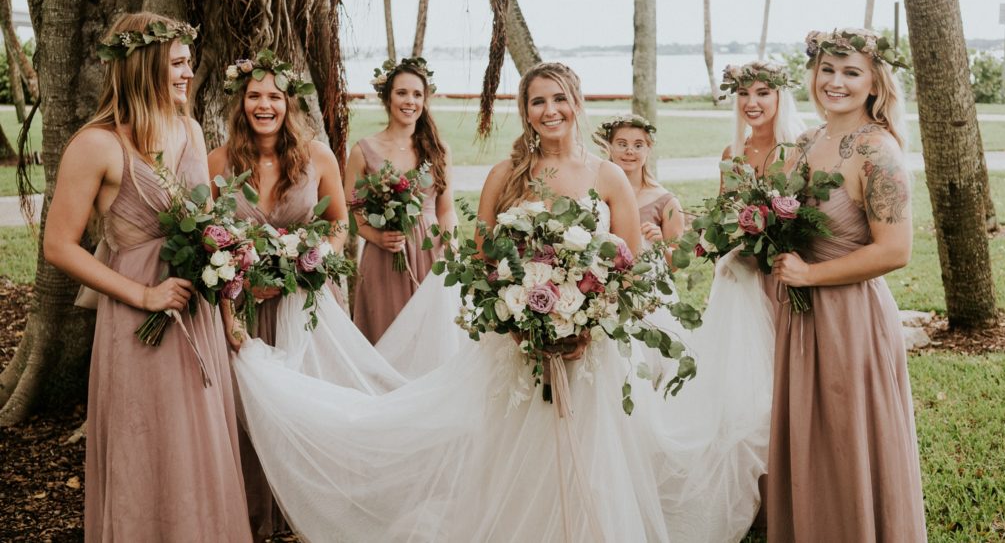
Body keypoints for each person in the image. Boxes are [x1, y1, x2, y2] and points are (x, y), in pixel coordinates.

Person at [230, 62, 774, 542]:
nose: (550, 109)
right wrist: (519, 317)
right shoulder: (505, 176)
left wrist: (588, 318)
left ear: (576, 104)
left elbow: (631, 265)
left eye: (559, 98)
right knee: (520, 453)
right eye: (538, 100)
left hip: (593, 352)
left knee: (594, 452)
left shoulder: (607, 176)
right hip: (517, 348)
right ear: (526, 111)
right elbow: (479, 264)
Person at [43, 12, 250, 541]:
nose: (188, 73)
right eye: (178, 63)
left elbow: (211, 229)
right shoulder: (96, 145)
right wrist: (144, 293)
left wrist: (228, 313)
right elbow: (58, 245)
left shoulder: (190, 130)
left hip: (194, 309)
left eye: (188, 63)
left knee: (196, 437)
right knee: (148, 438)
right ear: (145, 67)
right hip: (138, 320)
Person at [209, 50, 408, 539]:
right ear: (241, 103)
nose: (264, 105)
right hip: (246, 303)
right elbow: (207, 237)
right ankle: (260, 514)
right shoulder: (217, 161)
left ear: (288, 103)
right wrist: (229, 306)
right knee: (250, 409)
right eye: (254, 96)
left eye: (273, 96)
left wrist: (310, 257)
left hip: (306, 300)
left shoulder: (317, 155)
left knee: (315, 400)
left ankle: (321, 506)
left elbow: (338, 223)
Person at [769, 28, 926, 541]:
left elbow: (895, 251)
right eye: (827, 70)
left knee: (847, 437)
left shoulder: (878, 153)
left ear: (874, 84)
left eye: (851, 72)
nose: (835, 82)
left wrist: (810, 274)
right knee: (811, 437)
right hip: (799, 315)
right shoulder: (807, 141)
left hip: (850, 319)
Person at [344, 57, 457, 344]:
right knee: (385, 333)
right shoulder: (363, 150)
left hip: (429, 253)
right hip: (384, 256)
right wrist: (378, 237)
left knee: (429, 339)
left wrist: (451, 246)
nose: (410, 101)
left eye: (417, 94)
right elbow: (352, 214)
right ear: (387, 97)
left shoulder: (439, 150)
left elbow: (446, 209)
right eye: (402, 93)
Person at [593, 113, 685, 250]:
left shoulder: (667, 203)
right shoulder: (594, 192)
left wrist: (660, 244)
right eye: (622, 144)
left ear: (648, 149)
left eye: (638, 145)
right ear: (609, 147)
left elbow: (675, 265)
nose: (629, 151)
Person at [720, 60, 807, 179]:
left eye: (762, 93)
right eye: (744, 93)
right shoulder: (731, 154)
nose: (751, 103)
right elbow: (725, 197)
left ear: (779, 98)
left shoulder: (799, 152)